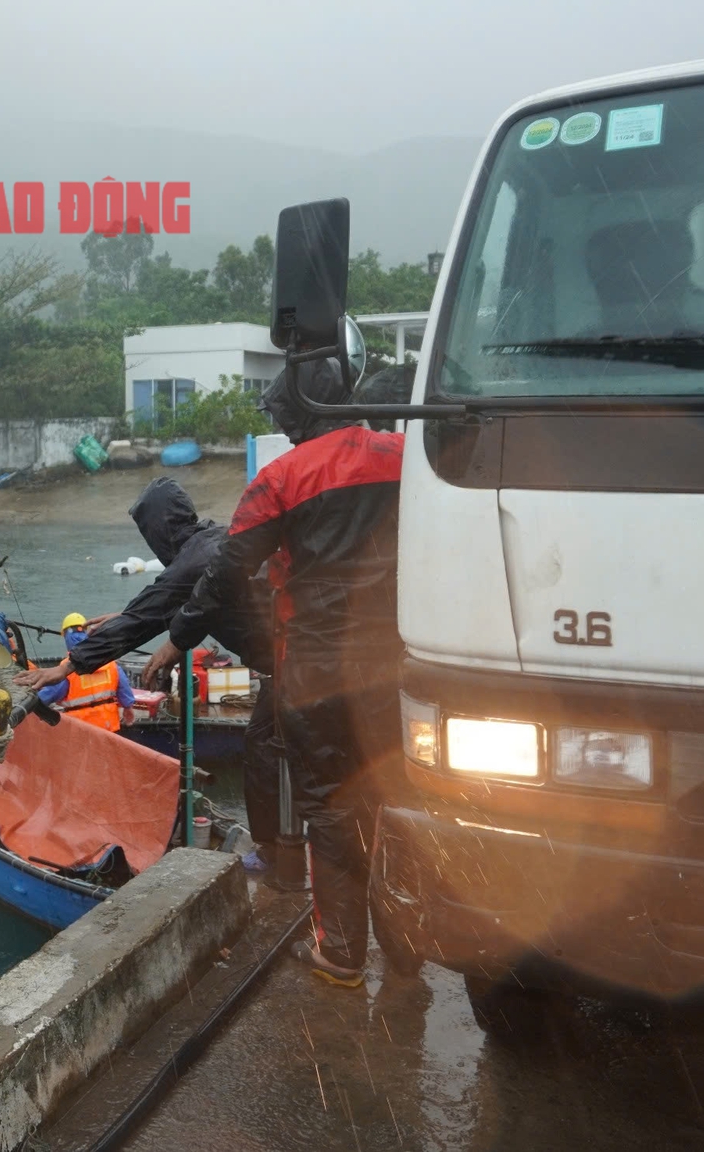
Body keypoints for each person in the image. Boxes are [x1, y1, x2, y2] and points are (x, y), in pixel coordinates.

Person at [154, 357, 404, 989]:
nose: (283, 427)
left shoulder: (282, 479)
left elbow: (226, 572)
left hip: (315, 669)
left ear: (297, 413)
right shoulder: (406, 458)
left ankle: (342, 952)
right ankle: (410, 950)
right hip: (397, 667)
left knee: (327, 805)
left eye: (284, 415)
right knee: (397, 800)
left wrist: (176, 641)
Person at [15, 478, 280, 863]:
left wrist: (69, 665)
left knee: (264, 749)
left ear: (160, 529)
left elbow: (152, 612)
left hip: (290, 666)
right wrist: (126, 615)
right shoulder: (213, 538)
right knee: (270, 747)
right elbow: (196, 603)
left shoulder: (192, 558)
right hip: (298, 656)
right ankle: (283, 846)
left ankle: (277, 853)